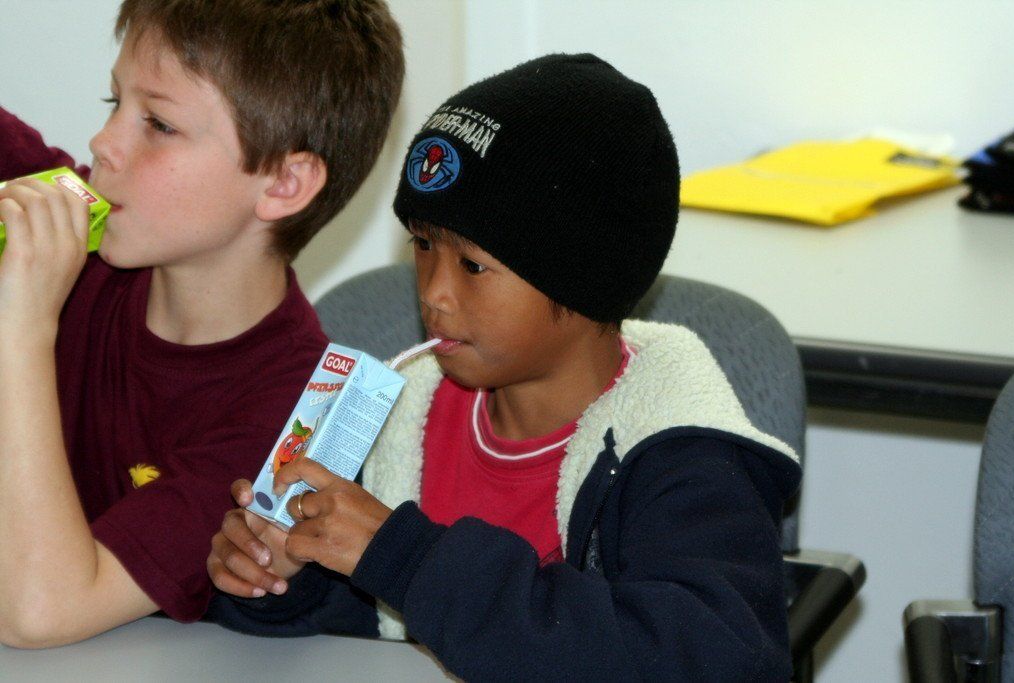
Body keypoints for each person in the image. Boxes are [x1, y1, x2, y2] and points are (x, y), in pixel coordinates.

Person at [206, 54, 802, 681]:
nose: (434, 292)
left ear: (583, 277)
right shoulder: (399, 419)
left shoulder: (681, 456)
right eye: (423, 245)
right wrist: (282, 576)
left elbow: (715, 659)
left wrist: (409, 560)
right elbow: (356, 631)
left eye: (473, 265)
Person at [0, 0, 403, 648]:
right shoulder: (86, 235)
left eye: (158, 123)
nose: (104, 143)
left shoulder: (293, 419)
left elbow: (41, 611)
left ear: (284, 182)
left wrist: (21, 323)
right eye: (114, 102)